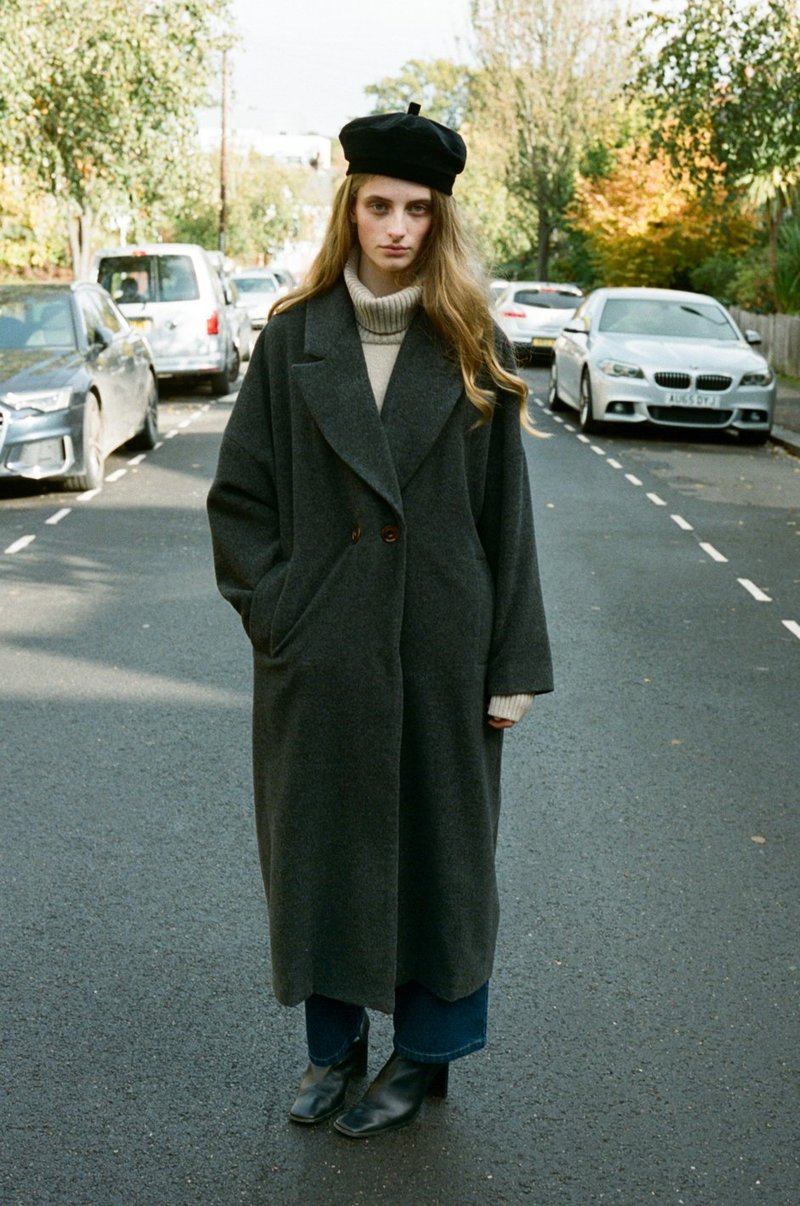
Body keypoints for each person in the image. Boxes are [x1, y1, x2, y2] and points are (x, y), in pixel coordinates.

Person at [206, 104, 553, 1139]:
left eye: (417, 210)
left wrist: (512, 665)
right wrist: (282, 614)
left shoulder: (471, 343)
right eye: (378, 206)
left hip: (444, 651)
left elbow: (507, 520)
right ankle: (332, 1051)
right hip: (322, 655)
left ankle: (423, 1057)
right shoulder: (293, 338)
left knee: (442, 862)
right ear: (348, 209)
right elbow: (240, 503)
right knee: (320, 852)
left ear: (440, 219)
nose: (396, 228)